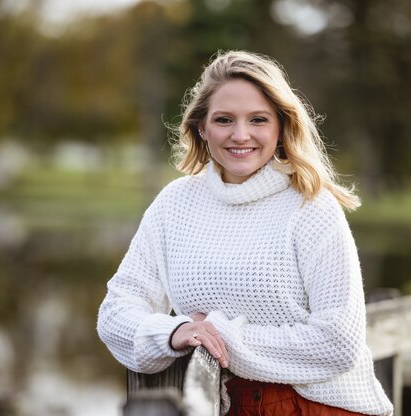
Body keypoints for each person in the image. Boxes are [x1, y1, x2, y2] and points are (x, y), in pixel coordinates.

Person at [97, 50, 393, 416]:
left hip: (316, 407)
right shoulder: (174, 204)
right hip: (217, 403)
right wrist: (174, 333)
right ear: (201, 127)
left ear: (280, 126)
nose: (241, 135)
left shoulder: (311, 207)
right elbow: (116, 313)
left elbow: (339, 342)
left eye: (258, 119)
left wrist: (221, 335)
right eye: (224, 120)